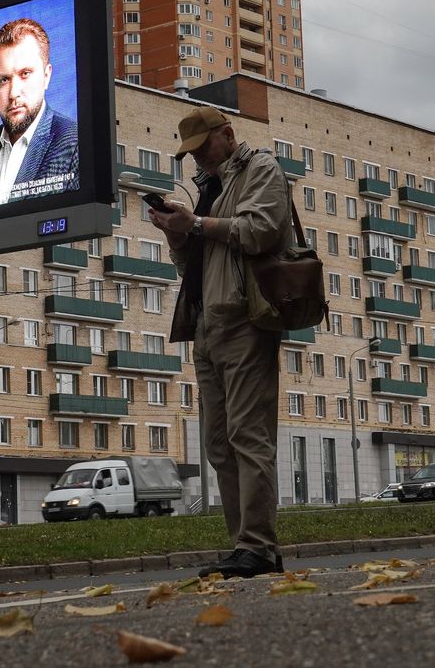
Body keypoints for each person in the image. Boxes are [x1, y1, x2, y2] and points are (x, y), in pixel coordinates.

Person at [149, 105, 292, 578]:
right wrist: (176, 234)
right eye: (190, 155)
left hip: (246, 321)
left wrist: (194, 224)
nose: (198, 162)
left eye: (203, 149)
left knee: (249, 437)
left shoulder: (261, 169)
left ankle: (258, 545)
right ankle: (244, 546)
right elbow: (190, 265)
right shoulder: (209, 188)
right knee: (218, 445)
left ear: (227, 135)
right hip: (207, 327)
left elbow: (261, 231)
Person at [0, 18, 78, 206]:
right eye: (4, 80)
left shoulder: (73, 140)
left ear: (46, 75)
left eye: (25, 74)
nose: (13, 93)